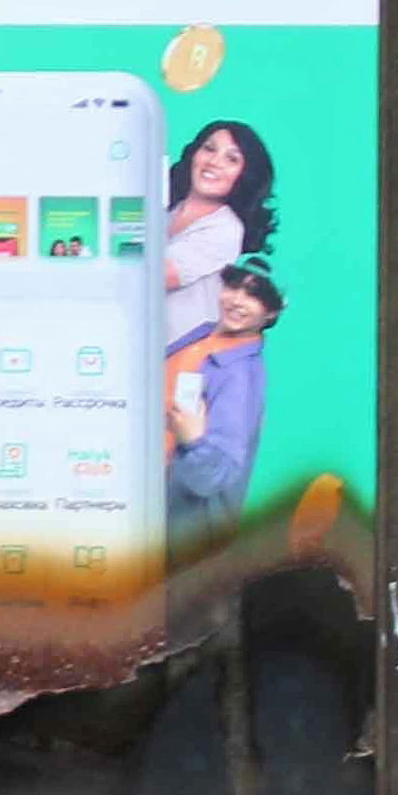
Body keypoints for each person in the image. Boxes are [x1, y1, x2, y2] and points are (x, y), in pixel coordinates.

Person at [165, 256, 285, 550]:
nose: (238, 301)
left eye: (255, 295)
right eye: (234, 286)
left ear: (271, 312)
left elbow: (215, 477)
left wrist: (193, 441)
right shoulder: (203, 334)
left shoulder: (240, 378)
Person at [162, 121, 275, 347]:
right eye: (209, 148)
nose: (214, 162)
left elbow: (155, 277)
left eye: (231, 159)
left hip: (182, 359)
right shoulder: (166, 210)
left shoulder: (225, 229)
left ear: (243, 175)